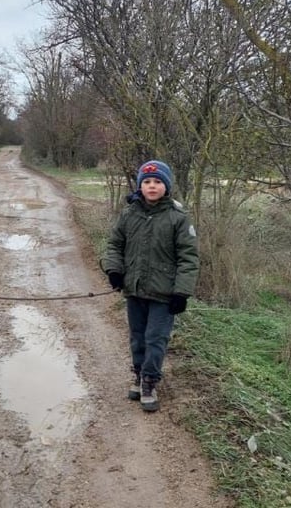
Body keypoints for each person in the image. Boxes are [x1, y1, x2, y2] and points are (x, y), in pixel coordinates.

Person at [102, 159, 199, 412]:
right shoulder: (129, 214)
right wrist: (114, 270)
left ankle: (149, 381)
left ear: (166, 186)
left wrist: (182, 292)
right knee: (137, 337)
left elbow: (189, 258)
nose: (152, 186)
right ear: (140, 186)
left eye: (157, 182)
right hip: (134, 290)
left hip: (164, 294)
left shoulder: (178, 218)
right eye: (147, 182)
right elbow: (114, 245)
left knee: (156, 338)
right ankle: (138, 373)